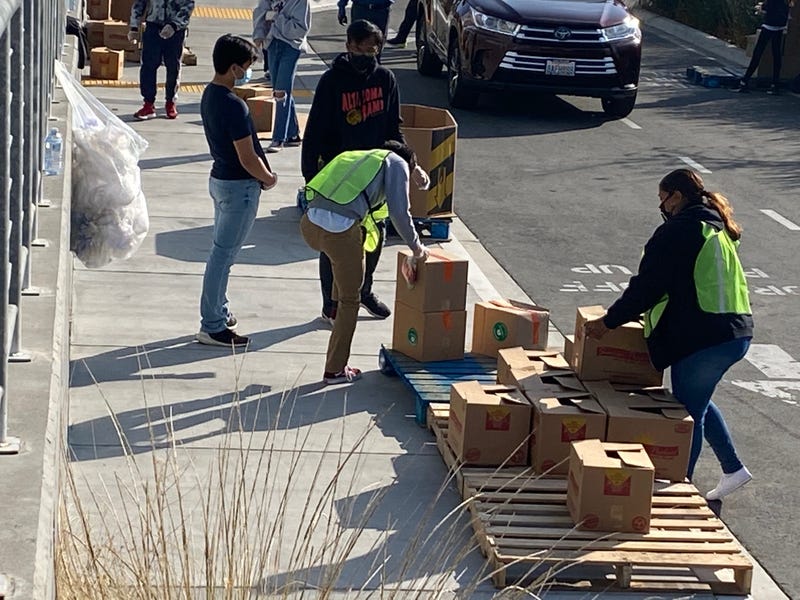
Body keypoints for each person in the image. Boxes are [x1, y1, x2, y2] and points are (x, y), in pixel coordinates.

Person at [584, 169, 754, 501]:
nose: (662, 205)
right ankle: (733, 469)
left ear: (676, 196)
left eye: (663, 198)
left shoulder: (680, 231)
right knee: (697, 399)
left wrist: (609, 322)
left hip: (706, 337)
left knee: (686, 415)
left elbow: (647, 287)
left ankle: (679, 488)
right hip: (733, 331)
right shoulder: (715, 226)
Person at [302, 20, 414, 325]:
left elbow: (394, 128)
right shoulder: (331, 82)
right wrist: (310, 175)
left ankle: (364, 291)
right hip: (339, 175)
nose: (370, 54)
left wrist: (409, 163)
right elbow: (314, 131)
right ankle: (331, 304)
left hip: (375, 174)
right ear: (349, 46)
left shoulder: (385, 79)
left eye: (375, 48)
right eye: (364, 48)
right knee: (335, 242)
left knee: (374, 237)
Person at [300, 141, 429, 384]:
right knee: (352, 300)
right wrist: (416, 247)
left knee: (341, 272)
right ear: (409, 162)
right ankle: (335, 370)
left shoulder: (360, 157)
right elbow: (400, 213)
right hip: (338, 231)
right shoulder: (397, 163)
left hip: (310, 224)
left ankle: (333, 309)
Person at [196, 34, 278, 347]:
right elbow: (247, 156)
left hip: (220, 182)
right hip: (238, 188)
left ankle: (219, 309)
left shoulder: (210, 95)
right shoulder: (233, 105)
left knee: (221, 251)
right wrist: (268, 178)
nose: (247, 73)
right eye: (245, 67)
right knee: (223, 256)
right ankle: (212, 325)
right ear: (233, 68)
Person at [128, 0, 196, 120]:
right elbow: (140, 2)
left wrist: (175, 25)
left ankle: (170, 102)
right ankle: (148, 104)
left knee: (173, 66)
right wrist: (134, 25)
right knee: (148, 66)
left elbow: (188, 5)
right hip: (153, 25)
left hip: (176, 30)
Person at [259, 0, 310, 153]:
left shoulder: (301, 2)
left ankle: (278, 137)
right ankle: (293, 134)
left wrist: (277, 18)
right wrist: (258, 36)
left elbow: (301, 30)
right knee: (280, 89)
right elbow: (260, 15)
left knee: (281, 93)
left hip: (291, 45)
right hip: (272, 43)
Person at [737, 0, 790, 94]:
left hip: (768, 26)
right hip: (779, 28)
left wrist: (760, 8)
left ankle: (744, 81)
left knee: (758, 53)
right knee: (777, 55)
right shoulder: (785, 1)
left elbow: (765, 8)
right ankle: (775, 84)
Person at [252, 0, 273, 80]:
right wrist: (258, 36)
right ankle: (270, 70)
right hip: (270, 33)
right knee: (268, 50)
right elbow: (260, 13)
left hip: (285, 35)